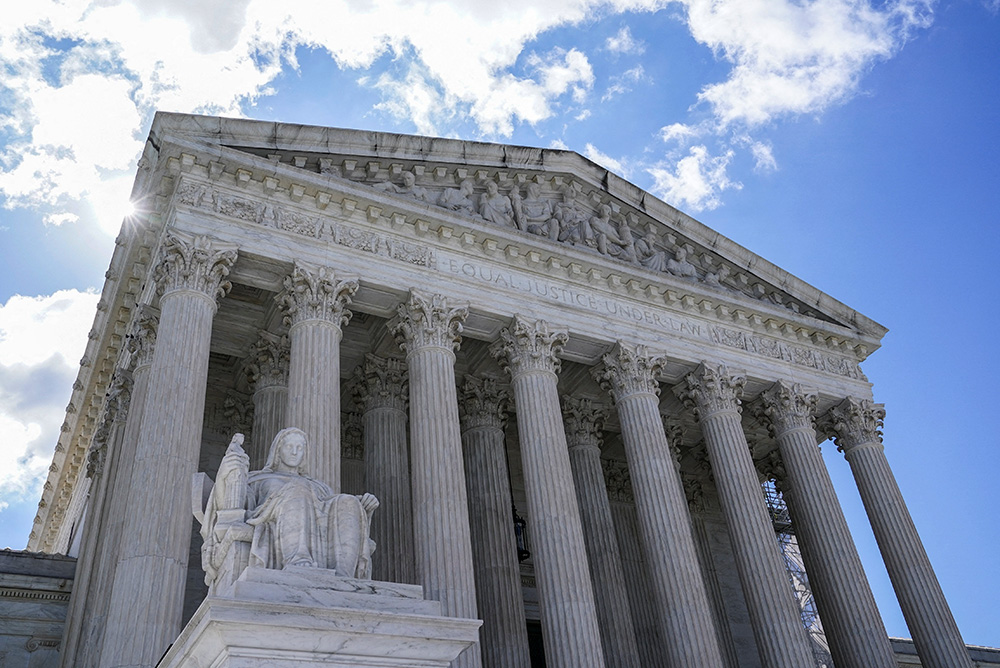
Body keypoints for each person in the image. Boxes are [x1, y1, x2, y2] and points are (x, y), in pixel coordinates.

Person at [206, 428, 378, 580]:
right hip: (271, 518)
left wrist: (363, 507)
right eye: (289, 446)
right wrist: (223, 475)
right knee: (298, 489)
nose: (295, 452)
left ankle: (343, 576)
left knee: (348, 501)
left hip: (316, 522)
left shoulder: (319, 486)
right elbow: (232, 508)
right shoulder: (258, 479)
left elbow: (330, 510)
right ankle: (297, 558)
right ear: (278, 450)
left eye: (300, 447)